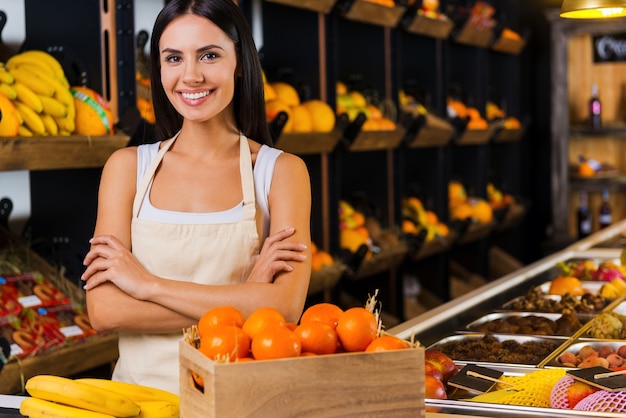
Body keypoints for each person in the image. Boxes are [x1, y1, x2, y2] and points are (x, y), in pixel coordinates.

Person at [81, 0, 312, 395]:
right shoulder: (126, 169)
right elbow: (104, 311)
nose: (190, 76)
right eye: (173, 58)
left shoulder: (281, 172)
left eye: (209, 55)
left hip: (237, 402)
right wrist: (245, 301)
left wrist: (146, 285)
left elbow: (286, 308)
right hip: (137, 402)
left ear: (240, 61)